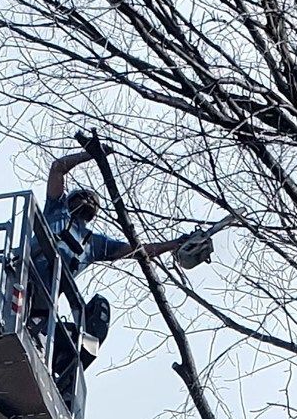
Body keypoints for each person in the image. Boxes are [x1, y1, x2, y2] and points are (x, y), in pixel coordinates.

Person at [32, 144, 216, 396]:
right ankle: (39, 338)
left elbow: (140, 251)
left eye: (91, 201)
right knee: (32, 317)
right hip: (25, 278)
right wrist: (91, 154)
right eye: (83, 197)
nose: (87, 202)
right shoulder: (56, 210)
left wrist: (177, 242)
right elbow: (57, 168)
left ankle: (64, 374)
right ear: (72, 200)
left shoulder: (95, 244)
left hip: (47, 302)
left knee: (97, 313)